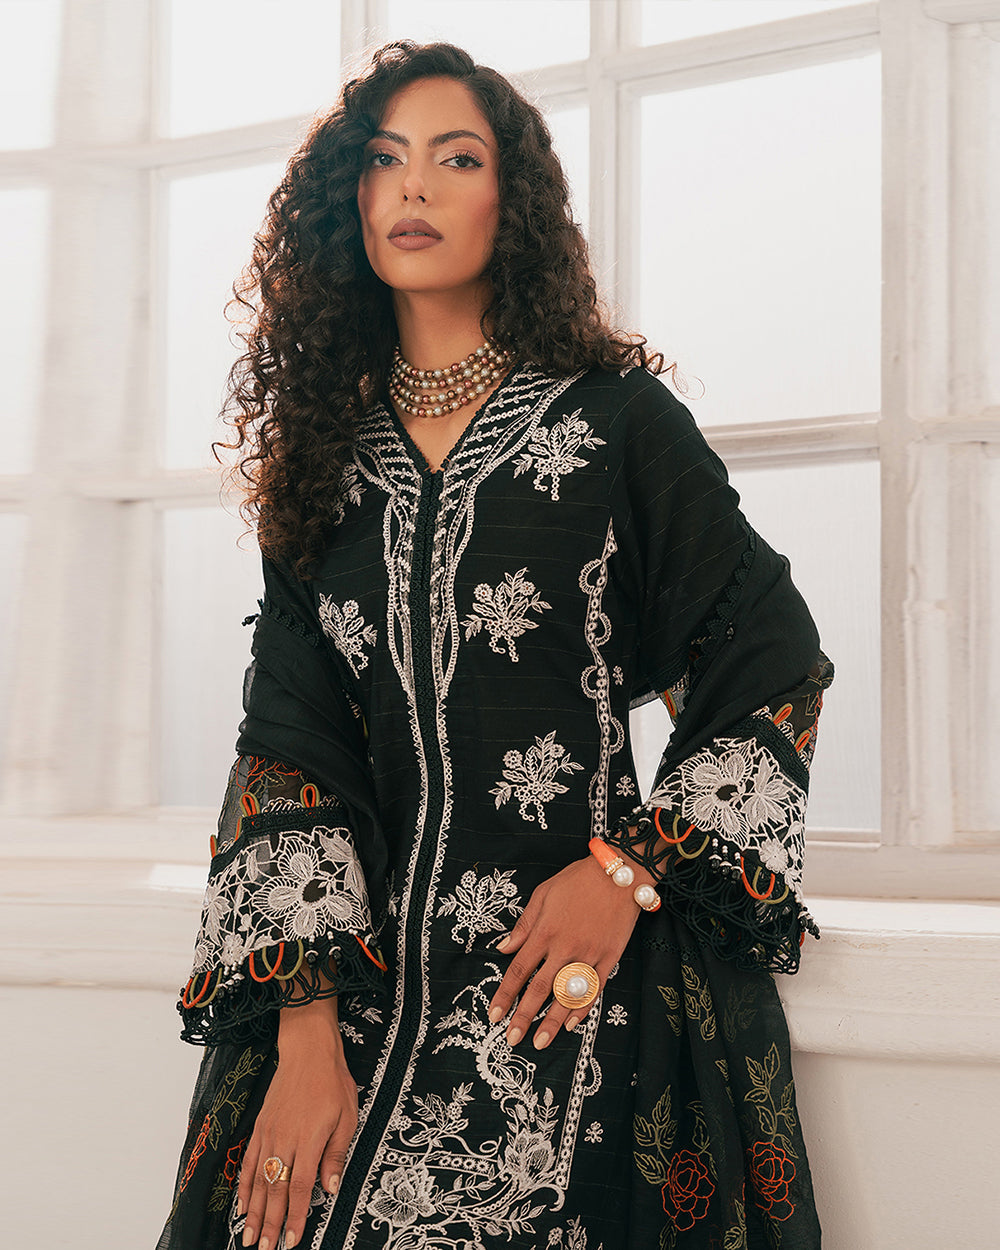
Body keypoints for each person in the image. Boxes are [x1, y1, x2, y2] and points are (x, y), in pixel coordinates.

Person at [157, 40, 833, 1250]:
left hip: (577, 982)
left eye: (455, 158)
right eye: (385, 160)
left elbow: (769, 660)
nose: (413, 186)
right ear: (351, 198)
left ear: (508, 200)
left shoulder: (616, 424)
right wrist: (303, 1037)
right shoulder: (320, 463)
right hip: (352, 1005)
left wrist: (625, 873)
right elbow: (291, 753)